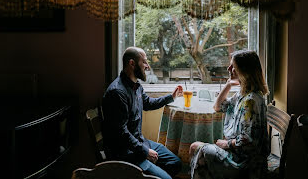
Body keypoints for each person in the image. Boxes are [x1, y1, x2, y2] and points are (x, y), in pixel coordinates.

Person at [102, 47, 183, 179]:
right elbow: (121, 132)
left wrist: (171, 97)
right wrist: (145, 152)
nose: (148, 66)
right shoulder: (117, 92)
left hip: (139, 142)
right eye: (144, 62)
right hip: (125, 152)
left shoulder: (136, 85)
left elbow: (148, 103)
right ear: (132, 63)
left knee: (175, 163)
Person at [189, 50, 269, 179]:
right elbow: (218, 107)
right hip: (237, 153)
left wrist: (226, 144)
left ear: (244, 71)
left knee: (195, 147)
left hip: (245, 162)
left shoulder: (250, 101)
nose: (228, 68)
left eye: (233, 66)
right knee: (196, 148)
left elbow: (248, 140)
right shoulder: (243, 94)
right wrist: (228, 85)